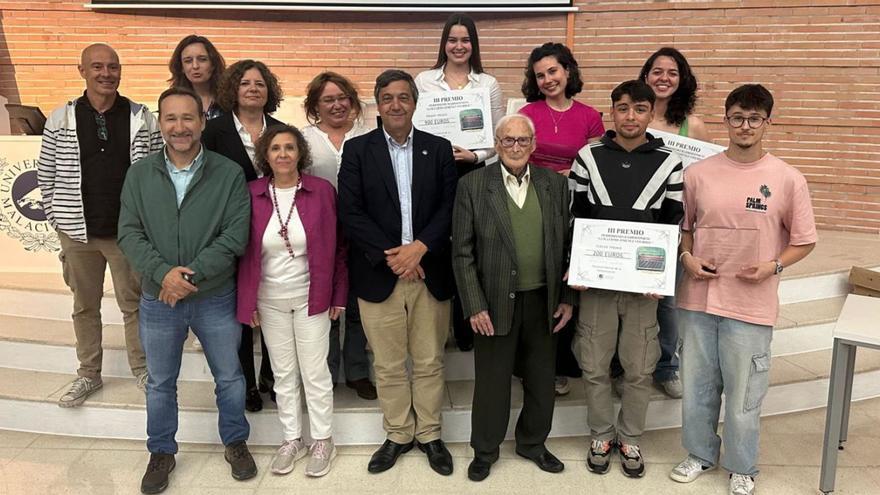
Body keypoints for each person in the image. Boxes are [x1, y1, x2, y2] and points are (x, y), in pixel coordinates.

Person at [670, 84, 816, 495]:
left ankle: (741, 465)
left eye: (754, 118)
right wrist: (687, 258)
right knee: (697, 387)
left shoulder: (787, 179)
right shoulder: (698, 174)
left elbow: (804, 239)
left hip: (751, 303)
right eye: (737, 117)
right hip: (698, 299)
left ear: (768, 123)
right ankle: (699, 453)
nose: (745, 126)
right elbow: (685, 230)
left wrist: (773, 265)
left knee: (744, 395)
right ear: (726, 120)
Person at [118, 87, 255, 494]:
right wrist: (164, 275)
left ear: (201, 122)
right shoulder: (140, 174)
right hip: (158, 298)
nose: (180, 127)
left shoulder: (228, 173)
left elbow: (234, 237)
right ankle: (161, 451)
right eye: (171, 119)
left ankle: (235, 442)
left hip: (214, 296)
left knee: (230, 376)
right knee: (160, 381)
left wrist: (187, 278)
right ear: (161, 123)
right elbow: (129, 232)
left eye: (188, 118)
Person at [337, 69, 457, 476]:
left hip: (429, 270)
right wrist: (394, 256)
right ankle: (398, 434)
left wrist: (420, 248)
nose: (395, 105)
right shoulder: (357, 151)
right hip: (379, 272)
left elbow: (449, 207)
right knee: (387, 365)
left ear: (414, 102)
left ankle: (430, 434)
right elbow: (350, 212)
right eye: (387, 97)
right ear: (377, 103)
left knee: (429, 361)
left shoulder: (438, 149)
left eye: (403, 97)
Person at [568, 80, 683, 479]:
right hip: (596, 283)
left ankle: (631, 436)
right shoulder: (587, 157)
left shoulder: (670, 163)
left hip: (642, 286)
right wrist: (577, 266)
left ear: (651, 113)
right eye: (622, 108)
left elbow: (672, 223)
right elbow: (576, 216)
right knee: (595, 365)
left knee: (639, 367)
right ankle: (601, 434)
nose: (630, 116)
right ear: (611, 113)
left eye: (638, 109)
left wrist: (663, 274)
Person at [37, 43, 162, 408]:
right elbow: (46, 176)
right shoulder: (61, 118)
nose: (106, 73)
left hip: (128, 233)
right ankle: (88, 374)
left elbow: (156, 172)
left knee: (135, 304)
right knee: (84, 306)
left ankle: (142, 370)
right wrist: (60, 218)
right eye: (97, 67)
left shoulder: (142, 117)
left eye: (112, 66)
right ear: (82, 71)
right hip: (78, 233)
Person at [452, 114, 574, 482]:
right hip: (492, 302)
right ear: (497, 143)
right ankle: (485, 450)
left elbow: (569, 246)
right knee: (492, 381)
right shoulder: (473, 185)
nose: (516, 147)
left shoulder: (555, 185)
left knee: (541, 377)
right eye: (509, 141)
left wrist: (566, 297)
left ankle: (533, 443)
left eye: (523, 141)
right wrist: (474, 304)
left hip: (544, 299)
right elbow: (461, 252)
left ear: (534, 145)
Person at [237, 124, 347, 477]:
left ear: (301, 153)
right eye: (275, 149)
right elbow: (243, 254)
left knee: (315, 372)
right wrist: (248, 302)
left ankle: (323, 440)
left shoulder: (322, 191)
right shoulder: (252, 193)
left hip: (312, 297)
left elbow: (340, 247)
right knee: (283, 374)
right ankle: (291, 439)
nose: (283, 154)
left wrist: (339, 295)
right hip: (269, 300)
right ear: (265, 156)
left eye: (289, 147)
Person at [415, 12, 505, 353]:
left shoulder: (488, 84)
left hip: (474, 172)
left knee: (470, 247)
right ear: (444, 43)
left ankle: (467, 326)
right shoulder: (424, 81)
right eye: (452, 40)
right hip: (434, 174)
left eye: (465, 40)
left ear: (473, 44)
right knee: (438, 243)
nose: (458, 46)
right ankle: (438, 326)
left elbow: (497, 138)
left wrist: (475, 157)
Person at [519, 42, 604, 396]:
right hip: (534, 204)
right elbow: (516, 155)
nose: (547, 79)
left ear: (568, 71)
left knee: (567, 279)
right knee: (540, 281)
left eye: (552, 71)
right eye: (540, 75)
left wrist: (573, 174)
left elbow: (601, 164)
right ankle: (530, 363)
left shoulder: (590, 116)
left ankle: (560, 363)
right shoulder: (528, 112)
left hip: (576, 207)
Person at [203, 59, 284, 412]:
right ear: (233, 90)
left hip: (274, 231)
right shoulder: (212, 132)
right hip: (229, 231)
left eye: (260, 83)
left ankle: (272, 375)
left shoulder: (282, 131)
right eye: (245, 83)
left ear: (269, 91)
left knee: (272, 303)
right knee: (241, 308)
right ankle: (246, 383)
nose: (253, 88)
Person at [629, 47, 709, 398]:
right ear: (645, 76)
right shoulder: (635, 117)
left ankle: (666, 366)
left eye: (672, 73)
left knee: (668, 300)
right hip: (637, 219)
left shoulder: (695, 125)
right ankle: (626, 365)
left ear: (682, 80)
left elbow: (706, 178)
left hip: (675, 222)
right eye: (657, 71)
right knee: (630, 295)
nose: (664, 78)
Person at [301, 71, 377, 400]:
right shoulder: (303, 139)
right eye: (328, 99)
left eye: (342, 97)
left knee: (358, 304)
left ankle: (358, 371)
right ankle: (328, 372)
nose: (336, 104)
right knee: (326, 305)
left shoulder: (371, 134)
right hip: (320, 233)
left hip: (362, 231)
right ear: (316, 105)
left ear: (352, 101)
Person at [168, 34, 226, 120]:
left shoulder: (229, 99)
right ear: (181, 68)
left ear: (213, 64)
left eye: (202, 59)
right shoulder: (173, 102)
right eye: (188, 61)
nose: (195, 66)